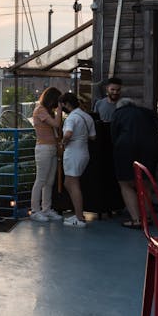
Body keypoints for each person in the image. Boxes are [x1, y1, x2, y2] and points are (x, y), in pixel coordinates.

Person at [111, 97, 158, 228]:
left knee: (125, 184)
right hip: (150, 147)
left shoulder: (118, 113)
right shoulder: (147, 111)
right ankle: (147, 218)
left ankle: (136, 220)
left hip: (126, 147)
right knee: (145, 184)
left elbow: (114, 135)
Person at [59, 92, 96, 227]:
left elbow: (68, 133)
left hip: (73, 152)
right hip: (84, 151)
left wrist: (63, 142)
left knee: (72, 184)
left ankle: (79, 218)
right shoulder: (87, 116)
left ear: (67, 104)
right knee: (69, 183)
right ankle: (78, 213)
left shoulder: (71, 118)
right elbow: (93, 137)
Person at [29, 86, 63, 221]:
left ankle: (46, 208)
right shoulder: (40, 110)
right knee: (41, 180)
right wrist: (60, 109)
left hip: (52, 148)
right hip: (43, 148)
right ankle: (35, 210)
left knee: (49, 181)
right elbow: (56, 124)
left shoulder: (48, 111)